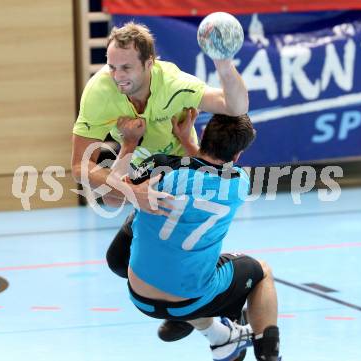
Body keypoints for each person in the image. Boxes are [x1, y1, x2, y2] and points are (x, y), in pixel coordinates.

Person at [71, 21, 249, 341]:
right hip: (145, 180)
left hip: (186, 180)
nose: (117, 75)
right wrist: (130, 186)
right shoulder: (100, 93)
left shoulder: (175, 84)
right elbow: (79, 167)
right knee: (118, 260)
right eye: (111, 66)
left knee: (166, 271)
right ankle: (214, 327)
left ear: (149, 63)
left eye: (126, 67)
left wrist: (222, 61)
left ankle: (222, 305)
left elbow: (234, 107)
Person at [105, 111, 280, 361]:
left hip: (140, 295)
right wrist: (188, 142)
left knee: (146, 230)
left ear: (206, 133)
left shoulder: (159, 167)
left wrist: (130, 143)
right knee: (261, 272)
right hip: (190, 299)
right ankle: (268, 355)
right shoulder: (239, 183)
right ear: (238, 155)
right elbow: (203, 173)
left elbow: (110, 196)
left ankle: (217, 333)